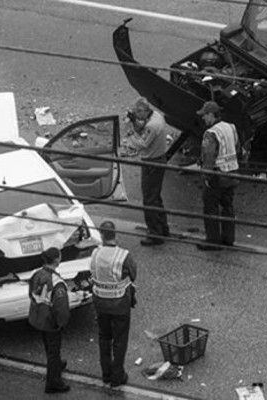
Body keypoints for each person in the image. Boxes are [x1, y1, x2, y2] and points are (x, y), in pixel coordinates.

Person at [89, 220, 137, 387]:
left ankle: (106, 374)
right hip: (119, 304)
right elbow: (133, 274)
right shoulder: (123, 255)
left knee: (104, 338)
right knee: (119, 340)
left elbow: (93, 272)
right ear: (115, 235)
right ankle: (117, 376)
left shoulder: (95, 253)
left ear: (101, 236)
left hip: (100, 303)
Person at [195, 101, 240, 251]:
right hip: (232, 173)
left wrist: (205, 177)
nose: (203, 119)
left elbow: (209, 157)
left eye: (204, 115)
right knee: (227, 206)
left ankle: (213, 240)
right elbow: (238, 148)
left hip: (217, 175)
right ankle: (228, 238)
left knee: (210, 207)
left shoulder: (211, 133)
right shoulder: (231, 127)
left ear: (210, 115)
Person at [126, 97, 170, 246]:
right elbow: (142, 127)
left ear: (144, 111)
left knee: (149, 199)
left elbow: (141, 144)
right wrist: (134, 122)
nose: (137, 117)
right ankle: (163, 228)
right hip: (159, 159)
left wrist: (129, 134)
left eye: (138, 114)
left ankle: (155, 233)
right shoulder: (156, 115)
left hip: (152, 162)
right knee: (156, 196)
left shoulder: (152, 125)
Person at [28, 247, 71, 394]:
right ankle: (53, 382)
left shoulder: (37, 274)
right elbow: (61, 307)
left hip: (39, 317)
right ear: (57, 260)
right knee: (54, 350)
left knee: (48, 345)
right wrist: (62, 323)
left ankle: (57, 364)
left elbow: (31, 294)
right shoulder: (57, 282)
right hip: (51, 321)